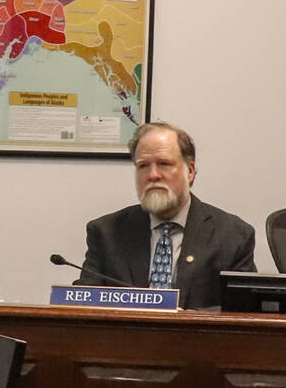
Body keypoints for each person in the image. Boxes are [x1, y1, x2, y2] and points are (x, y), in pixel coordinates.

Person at [78, 122, 256, 309]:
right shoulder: (106, 233)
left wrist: (184, 319)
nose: (153, 175)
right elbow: (83, 305)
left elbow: (242, 310)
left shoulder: (233, 236)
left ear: (190, 171)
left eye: (164, 164)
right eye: (143, 166)